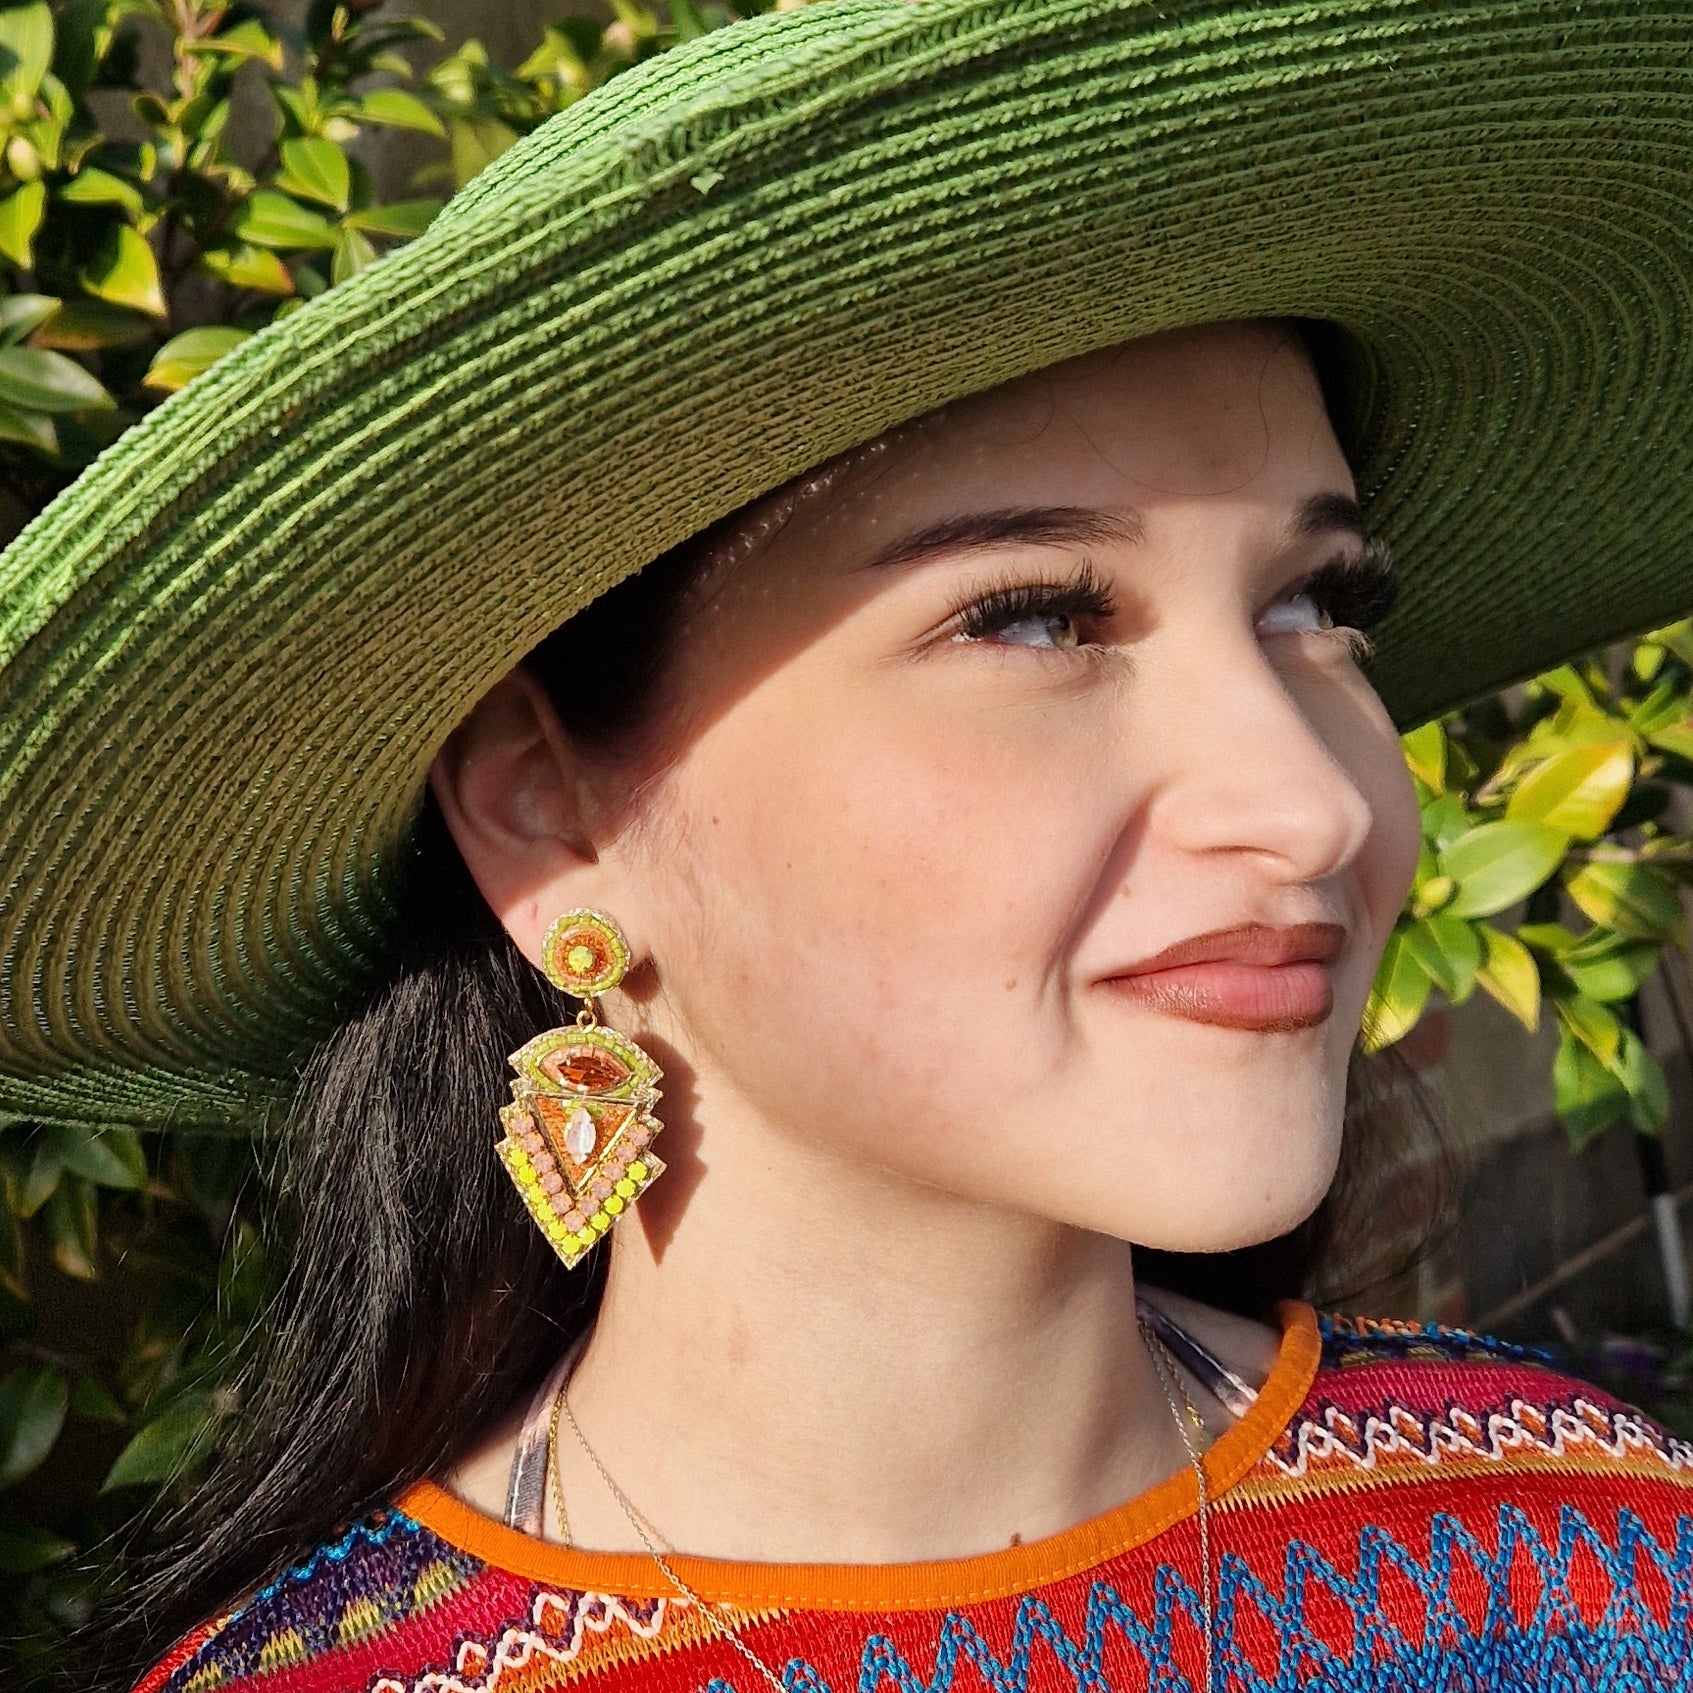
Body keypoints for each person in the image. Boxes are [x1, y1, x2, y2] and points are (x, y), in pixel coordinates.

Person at [4, 3, 1690, 1690]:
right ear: (547, 809)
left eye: (1315, 606)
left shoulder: (1599, 1545)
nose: (1314, 802)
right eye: (1034, 617)